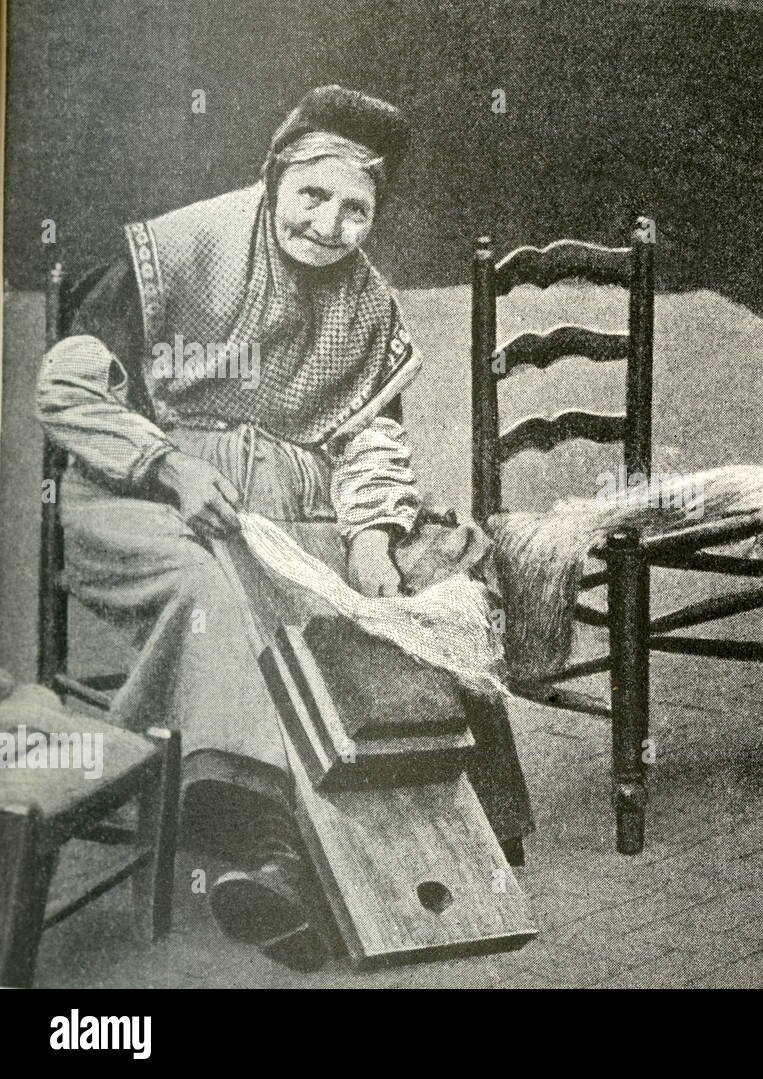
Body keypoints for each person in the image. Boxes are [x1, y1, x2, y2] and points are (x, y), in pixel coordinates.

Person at [36, 86, 533, 969]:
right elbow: (65, 389)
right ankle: (270, 847)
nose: (330, 224)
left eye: (356, 209)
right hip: (143, 498)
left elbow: (373, 442)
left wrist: (375, 537)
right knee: (211, 594)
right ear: (275, 179)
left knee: (434, 575)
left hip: (284, 510)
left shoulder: (368, 304)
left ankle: (462, 825)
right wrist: (167, 466)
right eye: (313, 195)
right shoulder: (182, 249)